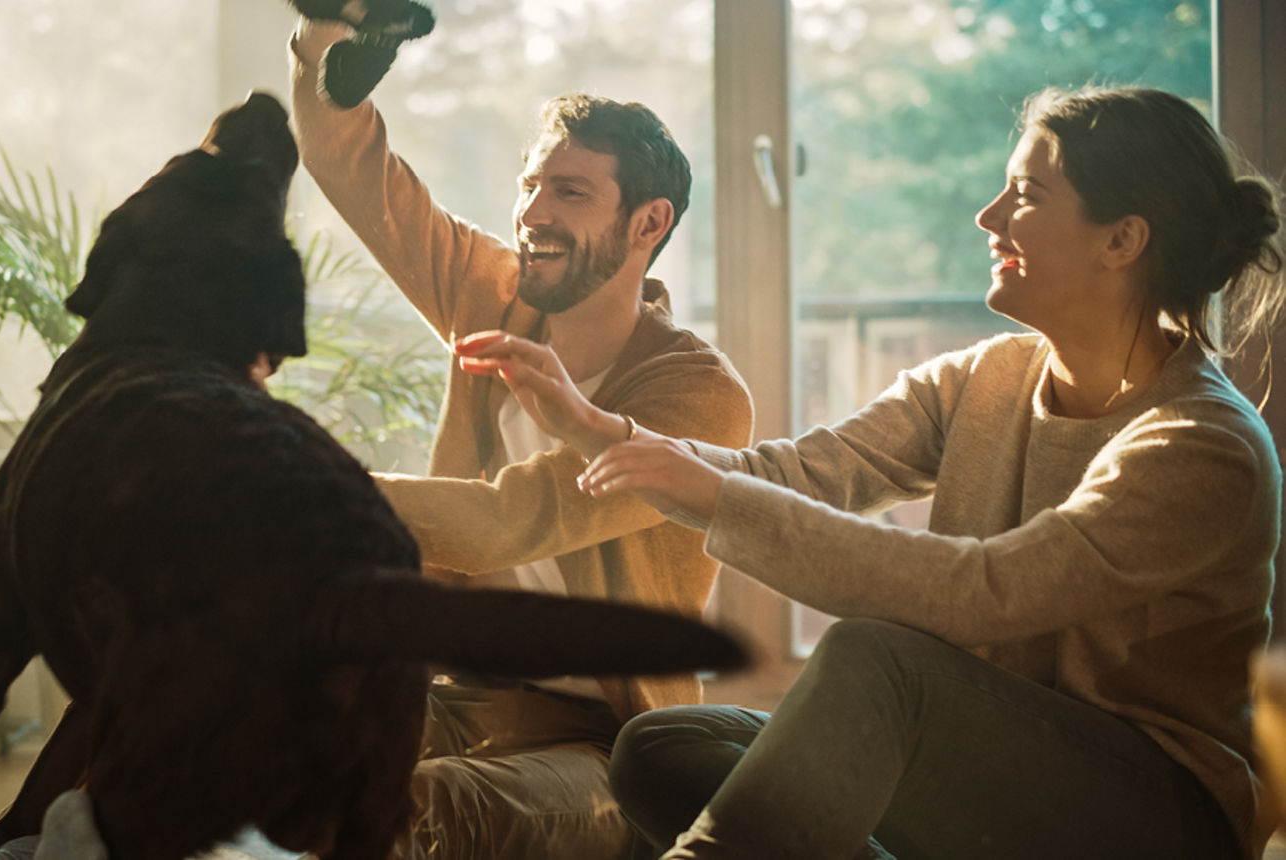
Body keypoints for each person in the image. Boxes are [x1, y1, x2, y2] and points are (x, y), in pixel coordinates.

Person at [464, 86, 1285, 859]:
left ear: (1122, 240)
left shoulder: (1200, 444)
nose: (988, 216)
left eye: (1026, 196)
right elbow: (802, 473)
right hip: (987, 777)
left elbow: (982, 594)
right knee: (661, 745)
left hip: (1157, 819)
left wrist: (712, 494)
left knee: (875, 659)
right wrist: (604, 430)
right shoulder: (985, 379)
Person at [288, 15, 753, 860]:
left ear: (648, 225)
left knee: (416, 805)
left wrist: (308, 491)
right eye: (530, 183)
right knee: (239, 728)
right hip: (454, 691)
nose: (532, 211)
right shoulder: (495, 296)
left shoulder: (697, 395)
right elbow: (354, 171)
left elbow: (518, 520)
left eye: (570, 192)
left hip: (606, 744)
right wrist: (330, 47)